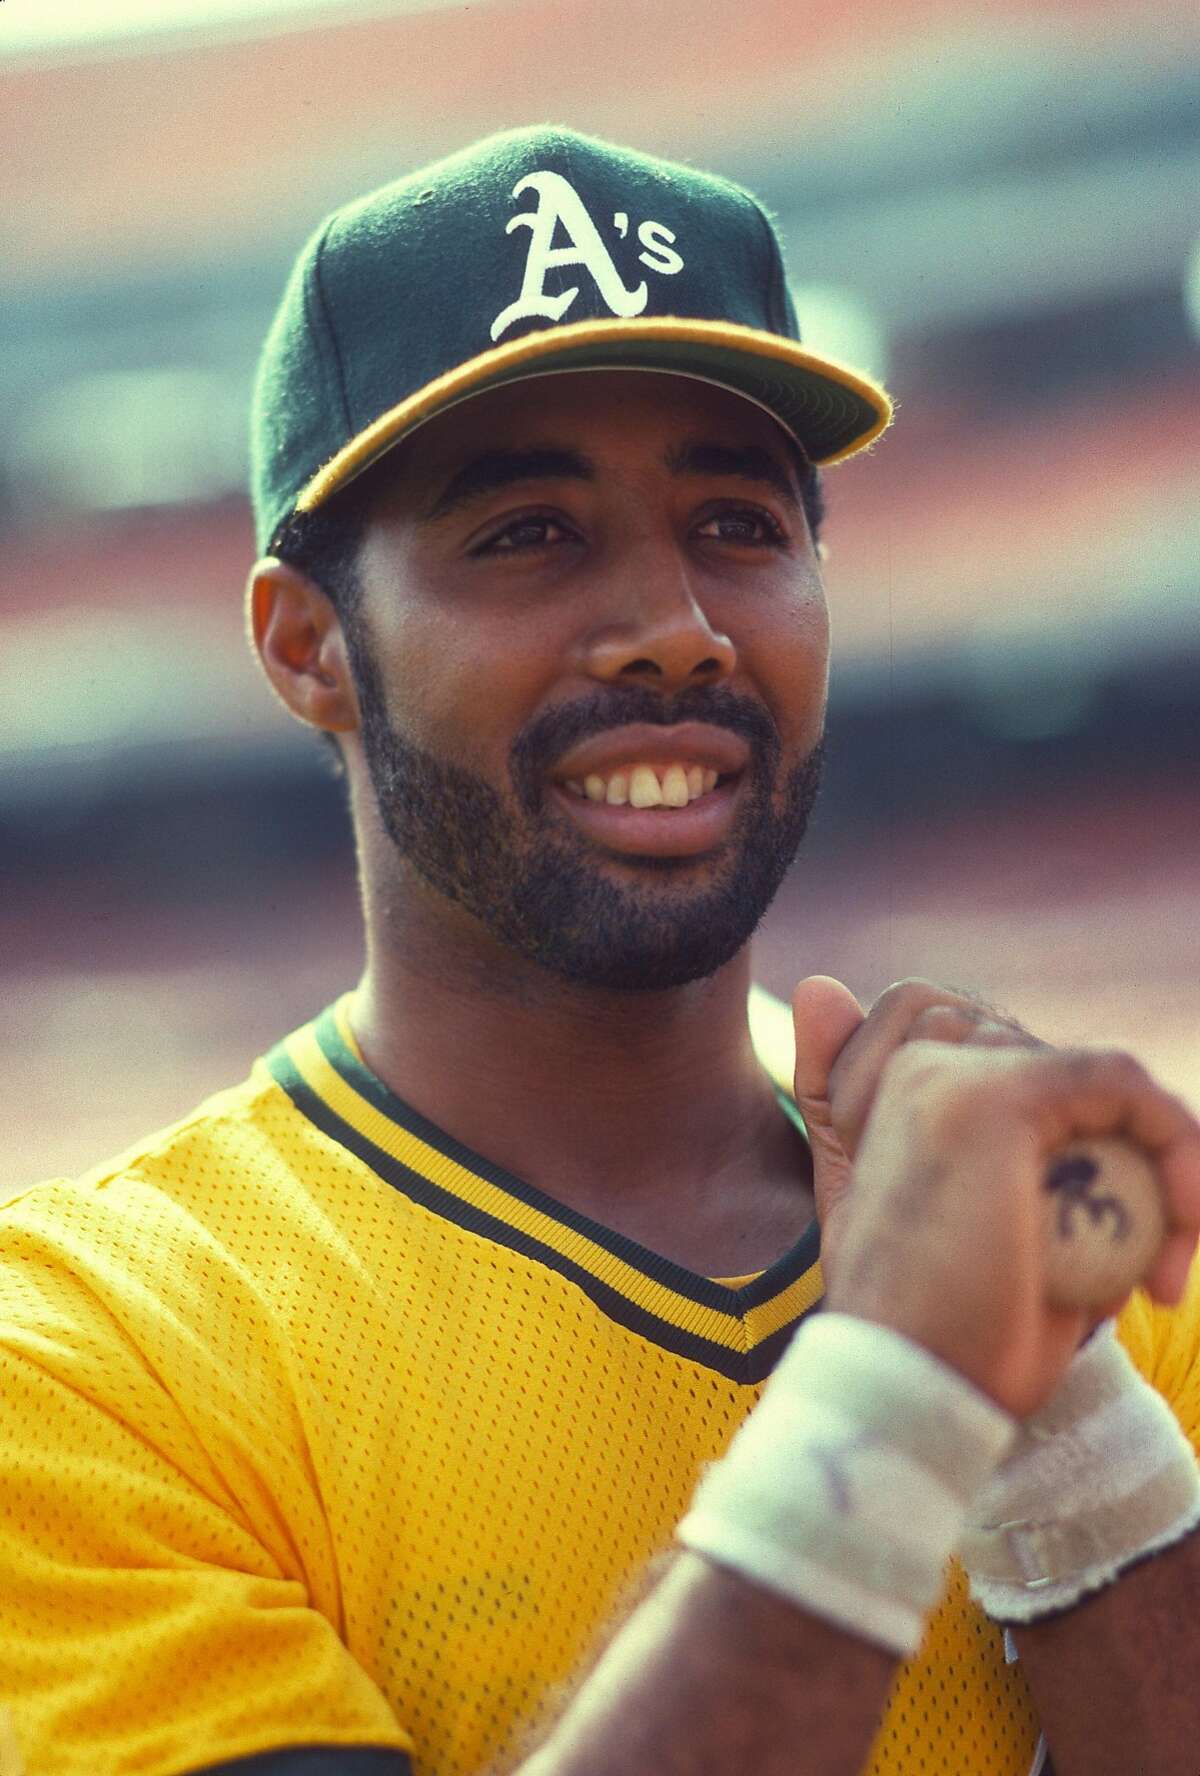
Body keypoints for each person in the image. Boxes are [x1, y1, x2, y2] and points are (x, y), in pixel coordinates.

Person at [1, 126, 1199, 1776]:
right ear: (308, 645)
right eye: (527, 535)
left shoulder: (1100, 1268)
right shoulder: (87, 1355)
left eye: (739, 525)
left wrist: (1071, 1439)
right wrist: (903, 1395)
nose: (676, 630)